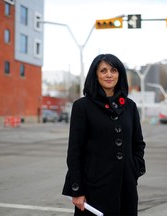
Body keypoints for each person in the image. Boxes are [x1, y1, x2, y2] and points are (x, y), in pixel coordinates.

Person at [62, 53, 146, 216]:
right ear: (96, 74)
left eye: (113, 70)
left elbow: (138, 143)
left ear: (119, 74)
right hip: (94, 187)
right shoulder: (82, 106)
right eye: (103, 70)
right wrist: (77, 190)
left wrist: (134, 169)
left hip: (126, 187)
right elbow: (75, 151)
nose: (109, 74)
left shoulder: (130, 106)